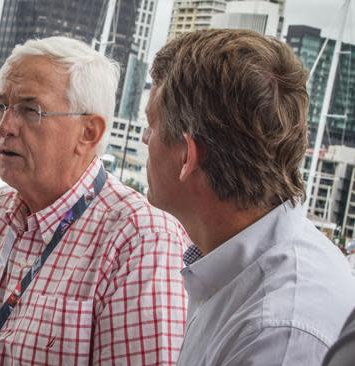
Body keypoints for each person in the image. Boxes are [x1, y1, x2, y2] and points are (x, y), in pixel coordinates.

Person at [0, 36, 190, 365]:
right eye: (0, 106)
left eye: (30, 110)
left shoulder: (141, 240)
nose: (5, 126)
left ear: (89, 133)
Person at [143, 28, 355, 365]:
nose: (144, 140)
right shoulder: (234, 266)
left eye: (151, 126)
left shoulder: (277, 333)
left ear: (186, 155)